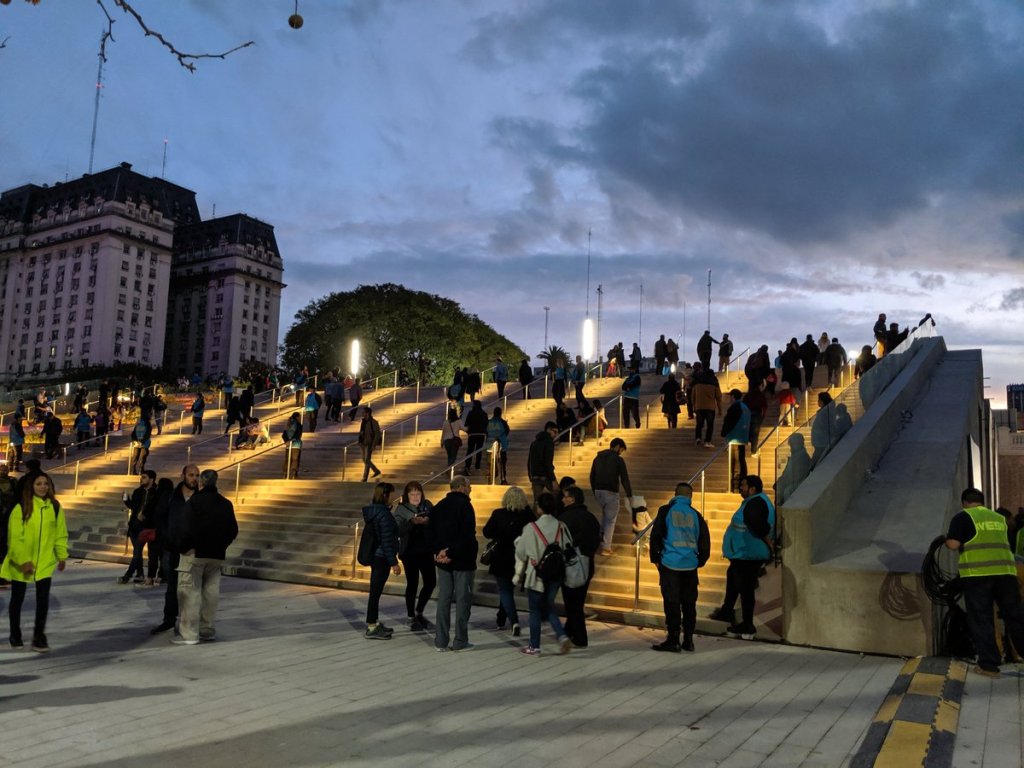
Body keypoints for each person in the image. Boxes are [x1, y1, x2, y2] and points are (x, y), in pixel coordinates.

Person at [945, 488, 1024, 678]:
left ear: (964, 502)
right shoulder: (998, 519)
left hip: (978, 575)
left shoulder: (963, 517)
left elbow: (953, 544)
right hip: (1006, 573)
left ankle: (989, 666)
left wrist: (949, 540)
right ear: (983, 501)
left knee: (982, 619)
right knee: (1015, 617)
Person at [2, 471, 68, 652]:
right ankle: (15, 633)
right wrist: (24, 560)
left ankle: (39, 636)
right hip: (21, 563)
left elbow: (60, 534)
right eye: (38, 484)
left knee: (43, 600)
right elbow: (15, 539)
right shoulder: (20, 508)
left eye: (45, 484)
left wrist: (61, 555)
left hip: (45, 561)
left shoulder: (54, 507)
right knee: (17, 599)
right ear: (30, 486)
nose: (43, 487)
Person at [172, 469, 238, 645]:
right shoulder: (225, 503)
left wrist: (184, 547)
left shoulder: (194, 502)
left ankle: (189, 633)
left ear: (201, 483)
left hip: (195, 553)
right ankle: (207, 629)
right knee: (211, 593)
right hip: (216, 554)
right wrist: (221, 545)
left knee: (190, 593)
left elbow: (184, 529)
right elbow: (233, 530)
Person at [709, 474, 775, 640]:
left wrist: (769, 543)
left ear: (753, 488)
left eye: (743, 485)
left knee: (745, 589)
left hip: (748, 554)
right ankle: (726, 611)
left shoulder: (755, 503)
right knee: (733, 579)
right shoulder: (756, 501)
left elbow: (758, 525)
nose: (740, 488)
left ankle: (748, 625)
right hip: (743, 554)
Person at [649, 482, 709, 652]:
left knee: (672, 602)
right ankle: (689, 640)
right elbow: (704, 541)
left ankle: (673, 639)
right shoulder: (696, 515)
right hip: (690, 566)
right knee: (689, 604)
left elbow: (656, 536)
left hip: (670, 564)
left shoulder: (666, 511)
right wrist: (700, 561)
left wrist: (656, 559)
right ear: (690, 496)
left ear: (675, 494)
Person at [514, 492, 572, 656]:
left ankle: (534, 646)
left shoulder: (531, 528)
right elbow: (568, 546)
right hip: (556, 573)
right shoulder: (561, 526)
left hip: (537, 574)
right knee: (549, 605)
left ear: (539, 508)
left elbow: (520, 553)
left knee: (535, 610)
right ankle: (561, 636)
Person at [429, 475, 478, 652]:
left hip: (442, 561)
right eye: (469, 485)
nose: (470, 489)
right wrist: (450, 553)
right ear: (461, 487)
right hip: (462, 561)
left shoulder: (439, 506)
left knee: (444, 599)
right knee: (463, 600)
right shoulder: (465, 506)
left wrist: (439, 552)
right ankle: (460, 640)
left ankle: (440, 641)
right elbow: (466, 535)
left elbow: (431, 532)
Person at [150, 465, 199, 635]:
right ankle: (169, 619)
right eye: (191, 475)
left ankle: (188, 622)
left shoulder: (201, 498)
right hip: (173, 548)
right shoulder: (170, 496)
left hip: (193, 551)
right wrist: (167, 538)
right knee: (172, 587)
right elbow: (159, 518)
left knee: (191, 589)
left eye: (197, 475)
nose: (194, 478)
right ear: (183, 476)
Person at [482, 486, 534, 637]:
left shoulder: (498, 514)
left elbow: (486, 532)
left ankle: (514, 621)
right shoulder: (528, 516)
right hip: (520, 558)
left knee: (505, 590)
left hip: (501, 557)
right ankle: (501, 618)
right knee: (508, 590)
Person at [559, 484, 601, 647]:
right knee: (578, 600)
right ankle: (569, 630)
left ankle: (580, 637)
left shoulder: (566, 518)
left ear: (572, 499)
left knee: (572, 603)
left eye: (565, 496)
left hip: (571, 563)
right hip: (587, 562)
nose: (562, 499)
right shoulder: (590, 517)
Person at [392, 482, 435, 631]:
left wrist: (428, 521)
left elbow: (437, 522)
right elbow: (397, 530)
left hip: (426, 551)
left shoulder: (428, 505)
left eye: (418, 494)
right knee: (413, 583)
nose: (416, 497)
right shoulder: (402, 509)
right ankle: (411, 617)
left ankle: (419, 612)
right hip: (410, 552)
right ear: (407, 495)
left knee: (431, 582)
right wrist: (411, 522)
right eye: (412, 494)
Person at [362, 482, 401, 639]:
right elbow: (386, 540)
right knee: (375, 592)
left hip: (378, 556)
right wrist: (394, 563)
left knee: (375, 592)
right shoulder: (383, 515)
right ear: (385, 495)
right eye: (392, 494)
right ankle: (371, 626)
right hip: (382, 558)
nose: (394, 497)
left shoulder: (377, 512)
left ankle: (374, 622)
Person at [590, 437, 633, 556]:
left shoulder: (597, 458)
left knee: (605, 516)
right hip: (611, 492)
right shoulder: (618, 460)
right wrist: (630, 495)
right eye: (622, 450)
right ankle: (606, 547)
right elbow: (625, 479)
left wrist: (595, 491)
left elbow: (592, 476)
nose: (621, 452)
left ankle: (599, 542)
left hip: (598, 491)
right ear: (618, 446)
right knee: (610, 520)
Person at [118, 470, 160, 585]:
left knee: (138, 552)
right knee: (137, 552)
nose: (141, 479)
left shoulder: (156, 493)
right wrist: (126, 500)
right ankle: (140, 573)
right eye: (141, 477)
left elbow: (155, 509)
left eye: (144, 477)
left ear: (151, 479)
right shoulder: (137, 491)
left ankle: (128, 575)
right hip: (134, 527)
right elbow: (133, 507)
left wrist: (146, 516)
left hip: (146, 527)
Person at [721, 389, 751, 489]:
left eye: (730, 396)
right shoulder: (745, 407)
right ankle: (743, 484)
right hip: (743, 438)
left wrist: (724, 433)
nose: (729, 398)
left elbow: (730, 421)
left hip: (734, 438)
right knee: (741, 460)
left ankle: (734, 485)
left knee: (734, 462)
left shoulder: (735, 407)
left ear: (733, 396)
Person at [691, 365, 722, 448]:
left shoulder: (697, 385)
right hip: (710, 408)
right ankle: (707, 441)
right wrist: (720, 410)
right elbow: (719, 398)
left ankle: (698, 438)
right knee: (710, 425)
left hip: (699, 407)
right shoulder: (714, 384)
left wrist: (694, 407)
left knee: (699, 424)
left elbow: (692, 396)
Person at [527, 421, 559, 501]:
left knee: (537, 501)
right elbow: (548, 462)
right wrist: (553, 479)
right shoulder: (549, 442)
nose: (556, 435)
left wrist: (530, 476)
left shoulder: (534, 443)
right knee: (557, 495)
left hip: (535, 476)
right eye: (554, 432)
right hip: (545, 476)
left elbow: (529, 461)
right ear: (548, 430)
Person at [485, 406, 510, 484]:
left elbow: (485, 431)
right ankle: (503, 479)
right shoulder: (503, 422)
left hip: (489, 444)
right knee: (502, 462)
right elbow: (507, 431)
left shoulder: (489, 422)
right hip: (501, 444)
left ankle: (490, 477)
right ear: (500, 413)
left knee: (490, 462)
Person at [463, 400, 489, 474]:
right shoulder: (484, 414)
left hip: (472, 434)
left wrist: (469, 432)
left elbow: (466, 424)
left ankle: (467, 466)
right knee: (479, 450)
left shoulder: (471, 413)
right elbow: (486, 424)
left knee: (470, 450)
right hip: (481, 434)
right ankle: (477, 466)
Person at [358, 406, 382, 482]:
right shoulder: (363, 421)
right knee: (365, 460)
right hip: (363, 443)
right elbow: (361, 432)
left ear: (367, 413)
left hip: (369, 443)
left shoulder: (373, 422)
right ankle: (376, 471)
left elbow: (377, 434)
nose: (362, 413)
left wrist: (374, 444)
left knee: (367, 460)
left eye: (363, 412)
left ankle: (365, 477)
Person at [743, 384, 768, 456]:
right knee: (755, 434)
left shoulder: (748, 395)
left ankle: (748, 442)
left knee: (749, 431)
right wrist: (763, 416)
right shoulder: (761, 395)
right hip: (757, 415)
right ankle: (753, 451)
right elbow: (765, 406)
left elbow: (744, 404)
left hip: (748, 414)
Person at [281, 412, 303, 478]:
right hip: (296, 444)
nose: (300, 418)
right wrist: (292, 440)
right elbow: (298, 434)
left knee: (287, 459)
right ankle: (294, 473)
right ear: (297, 417)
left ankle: (285, 473)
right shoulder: (299, 425)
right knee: (295, 459)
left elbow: (283, 434)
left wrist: (287, 441)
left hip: (288, 445)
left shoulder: (288, 423)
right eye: (299, 416)